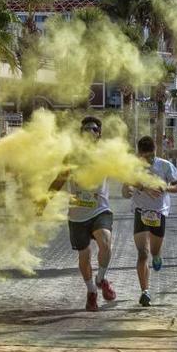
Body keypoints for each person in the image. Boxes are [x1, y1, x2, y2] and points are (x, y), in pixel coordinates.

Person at [48, 116, 117, 312]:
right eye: (86, 129)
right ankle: (91, 291)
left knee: (105, 241)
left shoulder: (107, 154)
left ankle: (101, 279)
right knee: (84, 255)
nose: (90, 132)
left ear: (99, 134)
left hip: (100, 209)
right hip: (77, 213)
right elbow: (59, 179)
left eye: (94, 129)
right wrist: (44, 200)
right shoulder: (72, 156)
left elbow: (125, 169)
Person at [121, 136, 177, 307]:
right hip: (140, 212)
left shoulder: (164, 165)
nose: (149, 160)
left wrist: (165, 187)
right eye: (145, 157)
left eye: (151, 156)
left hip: (159, 213)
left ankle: (157, 256)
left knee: (154, 252)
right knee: (142, 253)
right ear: (139, 154)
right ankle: (145, 291)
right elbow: (125, 191)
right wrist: (133, 188)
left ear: (156, 152)